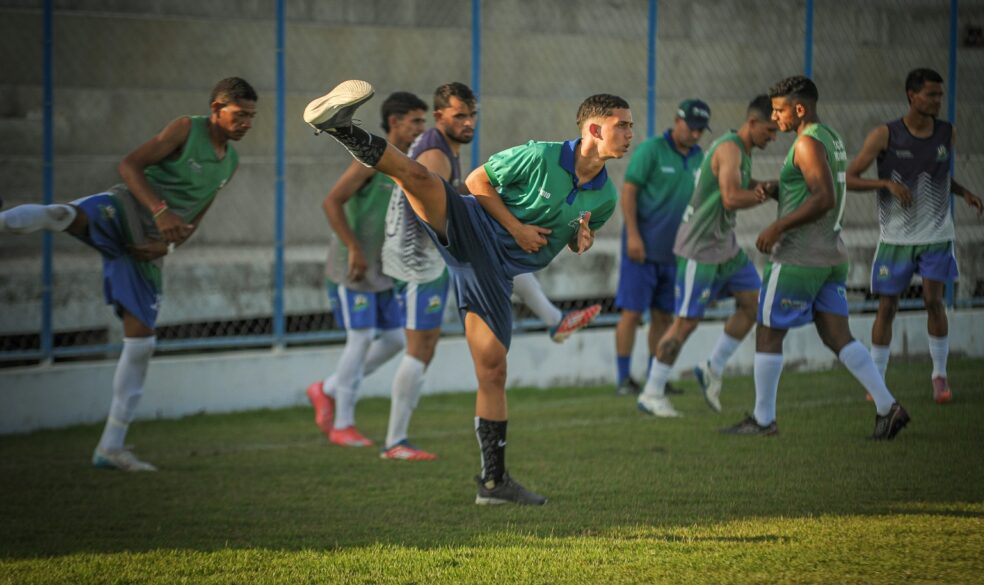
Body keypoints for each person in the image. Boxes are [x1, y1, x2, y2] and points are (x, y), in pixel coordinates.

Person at [303, 79, 629, 504]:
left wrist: (580, 240)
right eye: (621, 125)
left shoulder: (604, 196)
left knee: (493, 371)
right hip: (474, 226)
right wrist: (516, 228)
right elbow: (476, 181)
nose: (629, 134)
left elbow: (576, 239)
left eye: (630, 126)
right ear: (593, 130)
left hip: (492, 273)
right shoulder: (541, 154)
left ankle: (493, 485)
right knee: (418, 175)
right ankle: (340, 127)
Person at [0, 77, 258, 470]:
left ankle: (111, 447)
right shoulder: (185, 128)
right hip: (126, 211)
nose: (246, 124)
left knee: (140, 345)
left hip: (147, 248)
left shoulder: (232, 163)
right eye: (240, 115)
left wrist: (167, 245)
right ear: (216, 108)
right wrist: (159, 209)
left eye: (251, 117)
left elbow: (194, 219)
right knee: (61, 215)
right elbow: (129, 165)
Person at [721, 75, 910, 440]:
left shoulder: (806, 144)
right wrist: (776, 189)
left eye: (779, 110)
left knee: (768, 329)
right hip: (831, 256)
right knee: (837, 335)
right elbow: (816, 189)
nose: (775, 118)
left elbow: (823, 197)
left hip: (799, 256)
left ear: (799, 108)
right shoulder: (830, 138)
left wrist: (777, 228)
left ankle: (764, 420)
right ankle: (888, 407)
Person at [846, 67, 984, 403]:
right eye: (931, 94)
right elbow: (848, 178)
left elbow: (936, 176)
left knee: (933, 302)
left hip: (936, 234)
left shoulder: (947, 133)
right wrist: (885, 184)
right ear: (912, 95)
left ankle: (939, 375)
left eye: (940, 94)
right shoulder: (885, 135)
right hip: (895, 238)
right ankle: (877, 378)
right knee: (887, 306)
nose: (938, 100)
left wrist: (962, 192)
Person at [637, 95, 779, 418]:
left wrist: (771, 188)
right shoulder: (730, 148)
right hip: (700, 249)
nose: (773, 137)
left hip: (724, 247)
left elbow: (740, 185)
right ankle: (651, 392)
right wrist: (760, 197)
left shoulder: (741, 151)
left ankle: (712, 367)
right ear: (752, 122)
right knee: (685, 323)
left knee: (754, 304)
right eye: (769, 130)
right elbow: (730, 197)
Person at [305, 92, 428, 455]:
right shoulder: (371, 158)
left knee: (393, 340)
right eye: (416, 121)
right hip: (352, 266)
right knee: (360, 339)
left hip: (384, 269)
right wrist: (354, 248)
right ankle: (342, 424)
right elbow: (331, 202)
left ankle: (326, 389)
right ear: (395, 123)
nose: (422, 128)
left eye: (423, 121)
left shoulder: (410, 162)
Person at [614, 99, 709, 396]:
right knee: (631, 313)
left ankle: (657, 377)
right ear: (677, 121)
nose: (695, 135)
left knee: (664, 317)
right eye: (691, 128)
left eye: (700, 130)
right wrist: (633, 235)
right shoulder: (651, 150)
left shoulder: (699, 157)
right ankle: (623, 379)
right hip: (641, 249)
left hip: (675, 252)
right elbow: (628, 192)